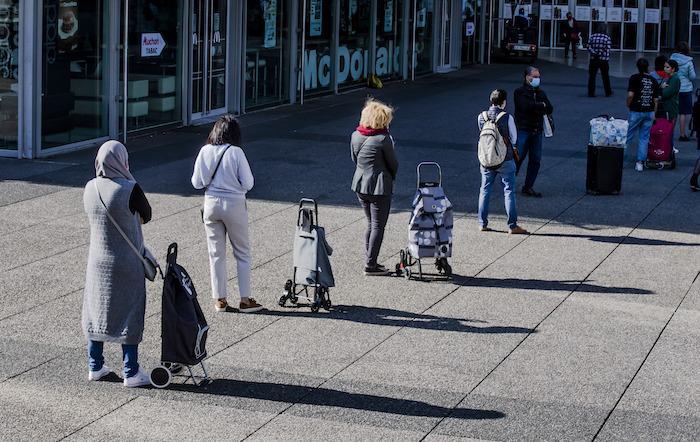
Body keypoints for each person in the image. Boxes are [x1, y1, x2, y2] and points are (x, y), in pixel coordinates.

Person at [82, 140, 152, 387]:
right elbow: (147, 215)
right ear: (123, 160)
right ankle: (131, 372)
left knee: (96, 310)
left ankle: (95, 366)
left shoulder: (89, 187)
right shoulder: (130, 188)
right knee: (130, 311)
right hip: (126, 262)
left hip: (97, 262)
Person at [191, 115, 263, 313]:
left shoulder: (205, 151)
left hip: (211, 204)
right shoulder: (236, 153)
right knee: (242, 252)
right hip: (234, 204)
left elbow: (196, 183)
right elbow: (249, 183)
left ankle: (220, 299)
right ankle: (245, 300)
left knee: (216, 253)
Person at [350, 98, 399, 275]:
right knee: (378, 225)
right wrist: (390, 176)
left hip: (361, 184)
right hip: (379, 186)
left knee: (370, 223)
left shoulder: (355, 135)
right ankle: (371, 265)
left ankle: (370, 260)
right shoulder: (383, 139)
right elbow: (393, 163)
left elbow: (354, 158)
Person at [477, 89, 528, 234]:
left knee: (485, 190)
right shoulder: (507, 117)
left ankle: (482, 223)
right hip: (505, 160)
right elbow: (514, 138)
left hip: (486, 159)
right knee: (508, 191)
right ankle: (512, 226)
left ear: (491, 100)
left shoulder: (482, 116)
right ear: (504, 102)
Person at [514, 67, 554, 198]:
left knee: (535, 160)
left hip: (537, 130)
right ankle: (509, 184)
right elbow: (525, 106)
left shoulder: (540, 93)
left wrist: (537, 106)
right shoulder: (520, 92)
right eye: (535, 77)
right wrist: (540, 106)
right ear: (527, 77)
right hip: (523, 129)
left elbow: (549, 108)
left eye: (538, 77)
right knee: (518, 158)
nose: (537, 80)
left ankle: (528, 186)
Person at [626, 58, 659, 172]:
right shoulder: (653, 80)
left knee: (628, 136)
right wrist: (654, 113)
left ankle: (619, 158)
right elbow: (655, 100)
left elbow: (630, 95)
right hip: (649, 111)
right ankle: (640, 163)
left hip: (636, 110)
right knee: (644, 137)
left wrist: (628, 104)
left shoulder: (634, 78)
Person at [669, 42, 696, 141]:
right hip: (686, 89)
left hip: (674, 88)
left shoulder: (671, 60)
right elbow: (692, 76)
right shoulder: (689, 62)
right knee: (683, 113)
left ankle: (669, 132)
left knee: (673, 112)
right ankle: (682, 134)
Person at [587, 23, 613, 98]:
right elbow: (607, 49)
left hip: (593, 59)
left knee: (592, 76)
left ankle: (591, 92)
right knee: (605, 76)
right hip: (603, 60)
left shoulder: (592, 36)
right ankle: (608, 91)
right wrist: (600, 53)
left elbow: (588, 46)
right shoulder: (606, 38)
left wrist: (594, 52)